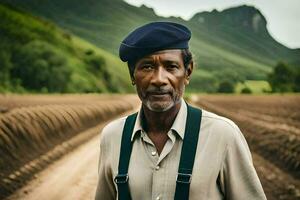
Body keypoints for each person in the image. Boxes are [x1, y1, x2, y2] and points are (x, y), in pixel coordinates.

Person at [95, 22, 266, 200]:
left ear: (187, 72)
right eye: (147, 67)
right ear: (132, 75)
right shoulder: (113, 136)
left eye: (171, 67)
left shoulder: (223, 135)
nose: (159, 80)